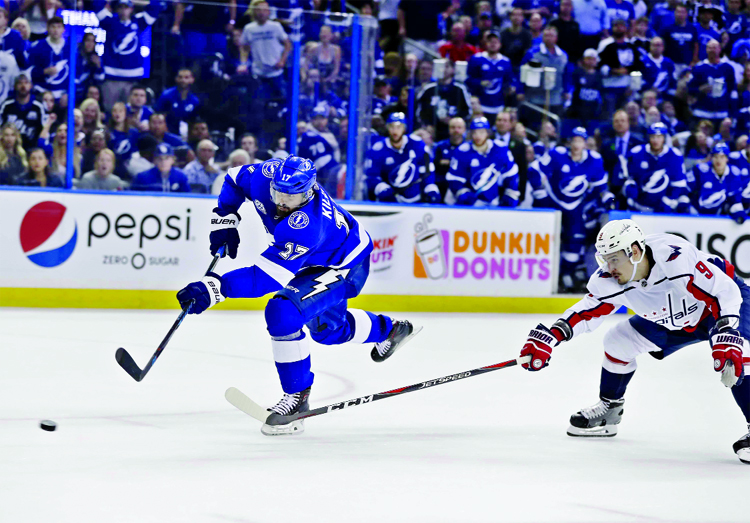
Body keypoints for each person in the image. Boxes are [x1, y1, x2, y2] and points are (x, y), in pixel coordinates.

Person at [176, 155, 422, 435]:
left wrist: (215, 288)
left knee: (282, 312)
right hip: (318, 260)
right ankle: (391, 331)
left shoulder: (306, 226)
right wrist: (225, 218)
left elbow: (264, 278)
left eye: (290, 198)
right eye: (277, 193)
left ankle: (297, 400)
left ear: (308, 192)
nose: (281, 202)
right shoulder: (265, 176)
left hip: (344, 264)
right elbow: (234, 177)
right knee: (329, 332)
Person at [517, 218, 750, 464]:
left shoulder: (674, 258)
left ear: (635, 252)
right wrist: (551, 336)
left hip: (720, 306)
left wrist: (726, 330)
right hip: (674, 319)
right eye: (604, 259)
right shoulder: (608, 280)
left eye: (614, 258)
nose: (608, 267)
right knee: (618, 341)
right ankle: (609, 409)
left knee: (738, 355)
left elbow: (724, 291)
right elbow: (586, 311)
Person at [527, 127, 611, 291]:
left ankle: (567, 274)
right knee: (546, 241)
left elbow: (601, 187)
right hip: (552, 203)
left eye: (580, 140)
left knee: (575, 241)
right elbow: (533, 170)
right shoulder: (557, 154)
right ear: (569, 141)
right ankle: (547, 277)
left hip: (575, 207)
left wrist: (608, 198)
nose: (577, 144)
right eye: (574, 140)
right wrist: (540, 193)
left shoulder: (594, 159)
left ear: (585, 143)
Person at [96, 0, 164, 110]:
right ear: (116, 9)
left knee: (131, 111)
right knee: (111, 111)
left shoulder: (138, 22)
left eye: (126, 7)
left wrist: (135, 1)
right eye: (120, 7)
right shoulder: (110, 22)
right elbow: (97, 5)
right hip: (112, 76)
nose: (124, 10)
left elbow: (156, 7)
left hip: (132, 77)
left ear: (131, 9)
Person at [365, 112, 439, 204]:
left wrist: (429, 186)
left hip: (416, 199)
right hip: (389, 201)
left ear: (404, 128)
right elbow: (372, 176)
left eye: (399, 127)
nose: (395, 131)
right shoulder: (378, 148)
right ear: (387, 128)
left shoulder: (417, 143)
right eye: (392, 127)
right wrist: (382, 189)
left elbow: (428, 168)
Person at [617, 122, 691, 214]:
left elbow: (679, 185)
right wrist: (629, 185)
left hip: (662, 208)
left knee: (683, 202)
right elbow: (626, 177)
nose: (656, 140)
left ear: (664, 138)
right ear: (649, 137)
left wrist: (668, 200)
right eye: (653, 137)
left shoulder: (674, 156)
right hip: (637, 207)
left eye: (659, 137)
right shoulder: (637, 153)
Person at [446, 116, 519, 207]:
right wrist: (464, 195)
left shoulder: (500, 149)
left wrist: (510, 193)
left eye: (481, 132)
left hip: (492, 201)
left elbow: (511, 174)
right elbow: (455, 179)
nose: (477, 136)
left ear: (487, 133)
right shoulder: (462, 151)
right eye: (475, 132)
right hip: (468, 204)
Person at [238, 0, 291, 99]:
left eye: (264, 10)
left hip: (276, 72)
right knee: (258, 103)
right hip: (258, 73)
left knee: (281, 101)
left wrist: (282, 61)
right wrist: (243, 64)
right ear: (254, 12)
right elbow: (244, 48)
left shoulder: (276, 26)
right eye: (258, 10)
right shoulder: (249, 28)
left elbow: (287, 44)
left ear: (268, 12)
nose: (261, 12)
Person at [689, 142, 747, 223]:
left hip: (717, 216)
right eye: (716, 157)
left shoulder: (734, 173)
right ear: (711, 158)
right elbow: (688, 190)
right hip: (696, 214)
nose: (718, 160)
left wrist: (737, 211)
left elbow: (734, 199)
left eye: (722, 157)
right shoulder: (701, 170)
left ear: (727, 159)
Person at [415, 60, 471, 141]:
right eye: (441, 66)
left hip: (455, 130)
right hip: (432, 131)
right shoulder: (429, 89)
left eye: (447, 66)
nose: (444, 69)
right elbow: (420, 111)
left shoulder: (460, 89)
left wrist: (454, 121)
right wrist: (427, 125)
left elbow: (468, 111)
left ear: (453, 69)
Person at [689, 39, 738, 130]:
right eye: (710, 47)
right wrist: (700, 89)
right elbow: (689, 89)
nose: (712, 50)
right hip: (702, 112)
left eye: (715, 47)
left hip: (722, 113)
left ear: (720, 49)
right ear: (706, 49)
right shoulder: (699, 67)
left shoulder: (728, 68)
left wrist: (733, 113)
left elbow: (733, 92)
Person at [598, 18, 643, 117]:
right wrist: (613, 71)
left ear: (626, 28)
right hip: (610, 86)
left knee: (626, 117)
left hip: (627, 87)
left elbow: (638, 67)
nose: (619, 28)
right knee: (609, 116)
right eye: (616, 26)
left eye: (622, 26)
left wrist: (633, 87)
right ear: (612, 28)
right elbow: (599, 65)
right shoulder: (605, 44)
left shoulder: (631, 45)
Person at [465, 31, 514, 123]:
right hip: (480, 106)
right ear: (486, 43)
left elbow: (509, 81)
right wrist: (480, 83)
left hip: (498, 106)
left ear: (500, 44)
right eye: (490, 41)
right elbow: (468, 80)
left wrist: (511, 88)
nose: (493, 44)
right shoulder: (476, 59)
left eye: (495, 42)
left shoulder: (506, 62)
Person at [297, 106, 341, 195]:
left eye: (322, 118)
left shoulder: (329, 133)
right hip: (316, 176)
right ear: (312, 120)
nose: (319, 121)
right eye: (316, 118)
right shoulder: (307, 134)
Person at [0, 74, 46, 151]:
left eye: (26, 83)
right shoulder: (7, 104)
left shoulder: (38, 106)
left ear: (31, 85)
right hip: (9, 149)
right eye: (20, 83)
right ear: (14, 86)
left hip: (31, 149)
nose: (23, 86)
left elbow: (44, 129)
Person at [28, 17, 70, 99]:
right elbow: (29, 71)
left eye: (59, 27)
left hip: (63, 95)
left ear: (63, 29)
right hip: (41, 92)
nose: (56, 30)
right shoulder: (38, 46)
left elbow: (75, 74)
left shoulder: (70, 48)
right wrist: (44, 71)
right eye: (53, 27)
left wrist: (68, 94)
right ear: (47, 28)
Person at [155, 68, 202, 138]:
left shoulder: (195, 100)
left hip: (185, 134)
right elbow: (159, 115)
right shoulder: (167, 95)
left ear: (192, 80)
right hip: (167, 132)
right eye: (180, 77)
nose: (183, 80)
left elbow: (193, 121)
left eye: (186, 77)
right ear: (176, 79)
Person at [660, 4, 699, 77]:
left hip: (687, 64)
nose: (680, 14)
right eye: (678, 12)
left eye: (682, 12)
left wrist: (694, 61)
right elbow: (662, 45)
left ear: (686, 14)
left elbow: (695, 45)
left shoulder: (692, 29)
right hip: (672, 64)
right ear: (674, 13)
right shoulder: (667, 29)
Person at [433, 116, 466, 198]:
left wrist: (446, 162)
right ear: (448, 129)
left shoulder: (468, 147)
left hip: (463, 184)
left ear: (464, 129)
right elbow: (435, 164)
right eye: (453, 127)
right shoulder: (440, 146)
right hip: (442, 183)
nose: (456, 130)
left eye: (459, 127)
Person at [108, 101, 139, 175]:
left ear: (125, 114)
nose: (117, 114)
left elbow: (136, 153)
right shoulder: (108, 132)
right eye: (115, 111)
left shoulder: (134, 132)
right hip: (112, 168)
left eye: (120, 111)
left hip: (129, 168)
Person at [500, 8, 533, 72]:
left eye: (519, 15)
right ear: (510, 17)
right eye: (514, 15)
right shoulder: (503, 34)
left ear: (523, 18)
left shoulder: (527, 35)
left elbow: (527, 54)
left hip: (522, 68)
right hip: (505, 66)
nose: (516, 17)